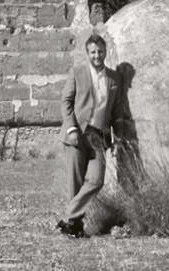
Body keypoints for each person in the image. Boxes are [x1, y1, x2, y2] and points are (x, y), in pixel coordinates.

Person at [57, 35, 128, 238]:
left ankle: (68, 216)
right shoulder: (77, 72)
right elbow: (66, 102)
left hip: (98, 136)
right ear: (88, 53)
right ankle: (75, 227)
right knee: (75, 182)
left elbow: (117, 112)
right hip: (77, 134)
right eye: (93, 52)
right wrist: (71, 129)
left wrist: (118, 139)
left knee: (97, 180)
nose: (97, 55)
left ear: (106, 52)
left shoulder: (114, 78)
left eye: (100, 51)